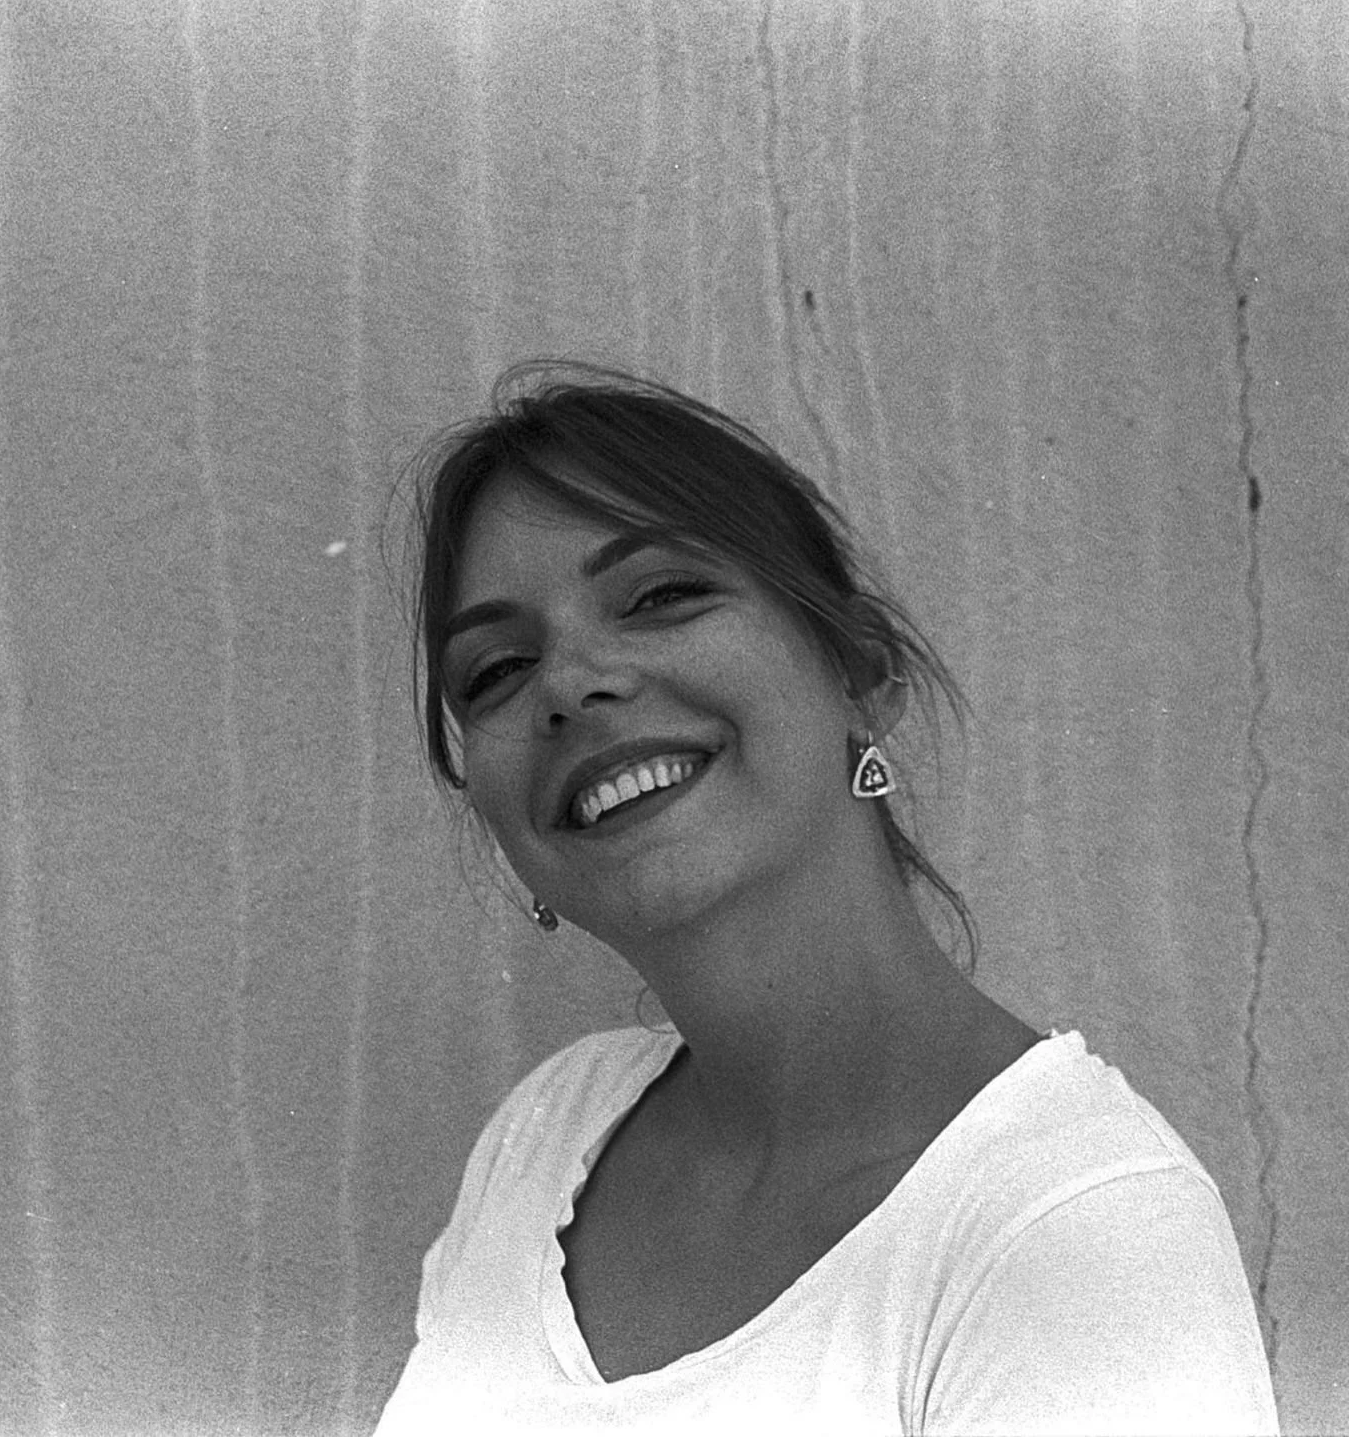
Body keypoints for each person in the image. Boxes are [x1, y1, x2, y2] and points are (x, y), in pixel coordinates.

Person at [375, 364, 1279, 1435]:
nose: (569, 683)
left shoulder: (1075, 1231)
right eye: (494, 670)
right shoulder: (543, 1138)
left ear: (860, 673)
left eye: (659, 594)